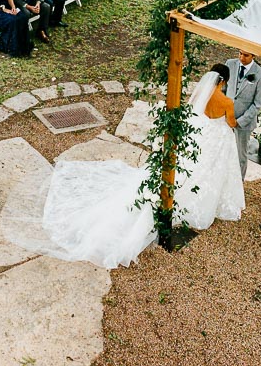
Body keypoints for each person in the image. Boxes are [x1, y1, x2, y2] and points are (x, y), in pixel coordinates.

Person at [28, 66, 244, 269]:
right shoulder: (226, 102)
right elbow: (232, 123)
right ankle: (199, 201)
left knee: (186, 166)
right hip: (214, 138)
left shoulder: (198, 95)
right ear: (223, 81)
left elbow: (190, 112)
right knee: (207, 170)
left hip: (197, 134)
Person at [223, 51, 261, 176]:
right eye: (240, 54)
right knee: (223, 150)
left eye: (246, 55)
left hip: (244, 123)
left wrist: (239, 121)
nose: (241, 58)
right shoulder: (230, 64)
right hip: (225, 117)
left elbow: (257, 104)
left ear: (254, 56)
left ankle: (238, 182)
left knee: (240, 155)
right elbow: (223, 88)